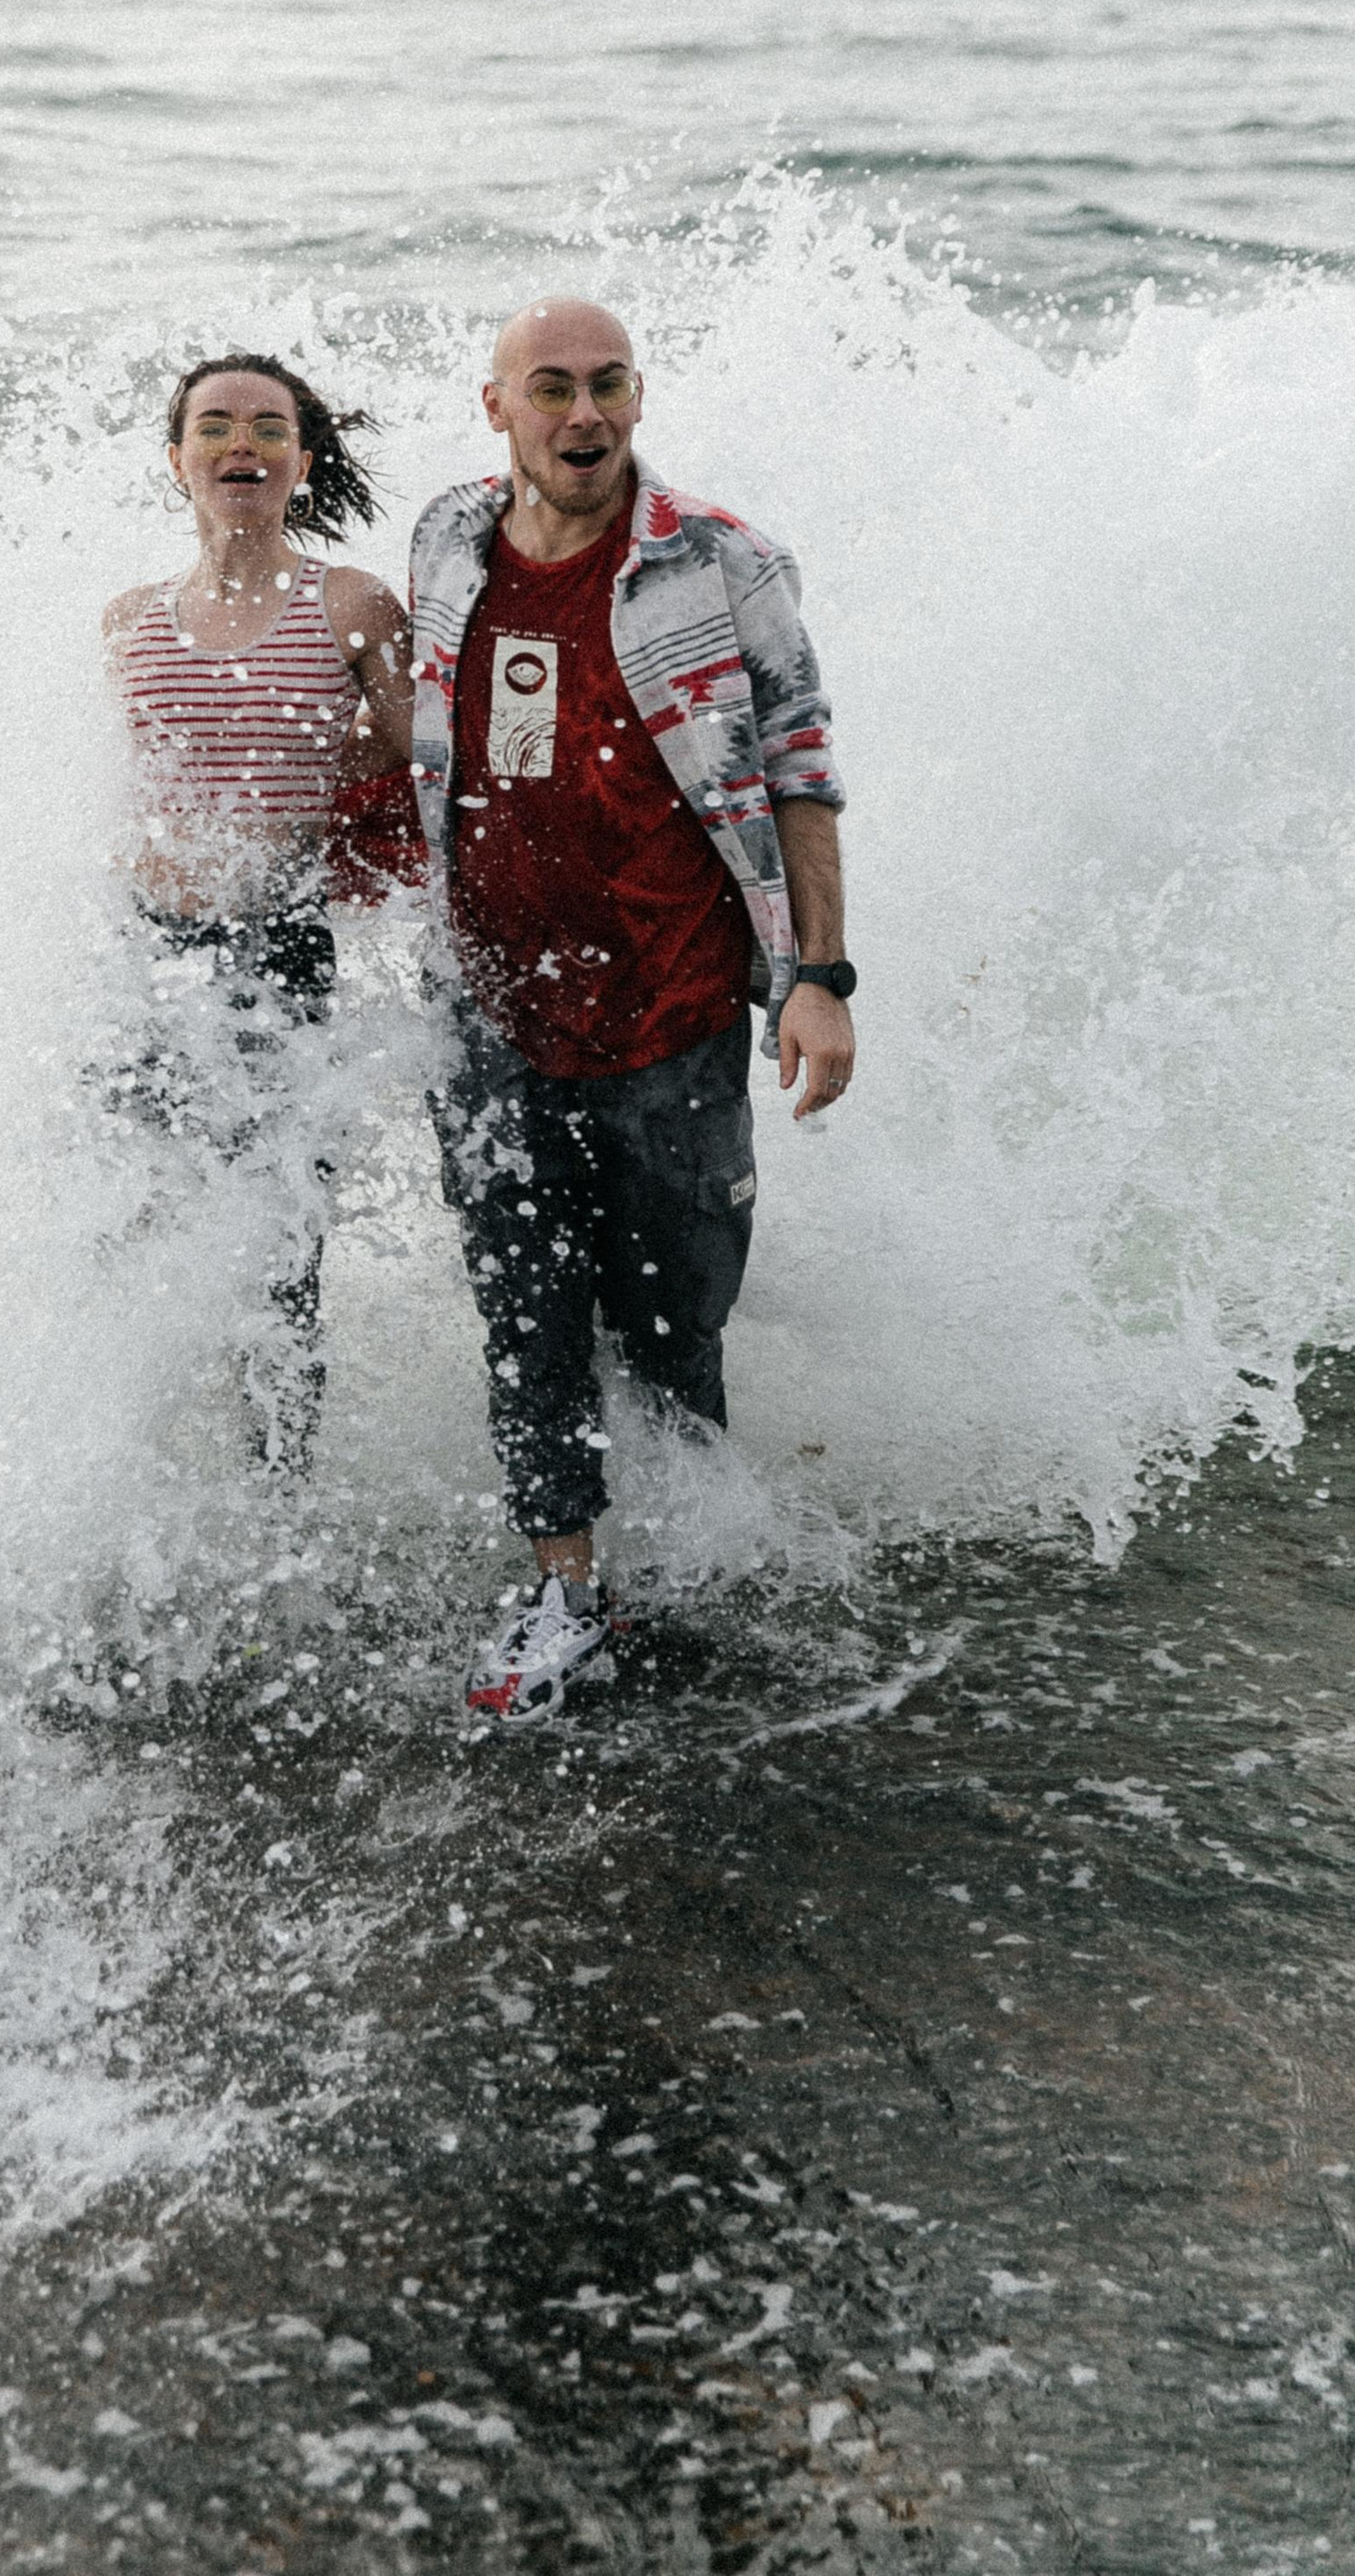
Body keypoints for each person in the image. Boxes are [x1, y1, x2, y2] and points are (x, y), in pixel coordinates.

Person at [409, 297, 854, 1722]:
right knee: (523, 1311)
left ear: (638, 397)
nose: (585, 413)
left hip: (673, 1018)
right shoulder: (443, 545)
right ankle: (565, 1595)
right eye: (553, 388)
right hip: (488, 1016)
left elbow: (799, 774)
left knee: (672, 1319)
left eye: (609, 387)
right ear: (499, 407)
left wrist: (819, 982)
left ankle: (689, 1566)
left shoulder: (722, 561)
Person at [104, 354, 417, 1468]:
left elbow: (416, 762)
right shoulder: (128, 622)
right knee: (127, 1235)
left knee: (279, 1252)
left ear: (303, 460)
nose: (243, 445)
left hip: (277, 958)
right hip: (137, 965)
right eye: (216, 427)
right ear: (177, 458)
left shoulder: (350, 603)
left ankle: (276, 1491)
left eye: (270, 428)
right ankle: (139, 1480)